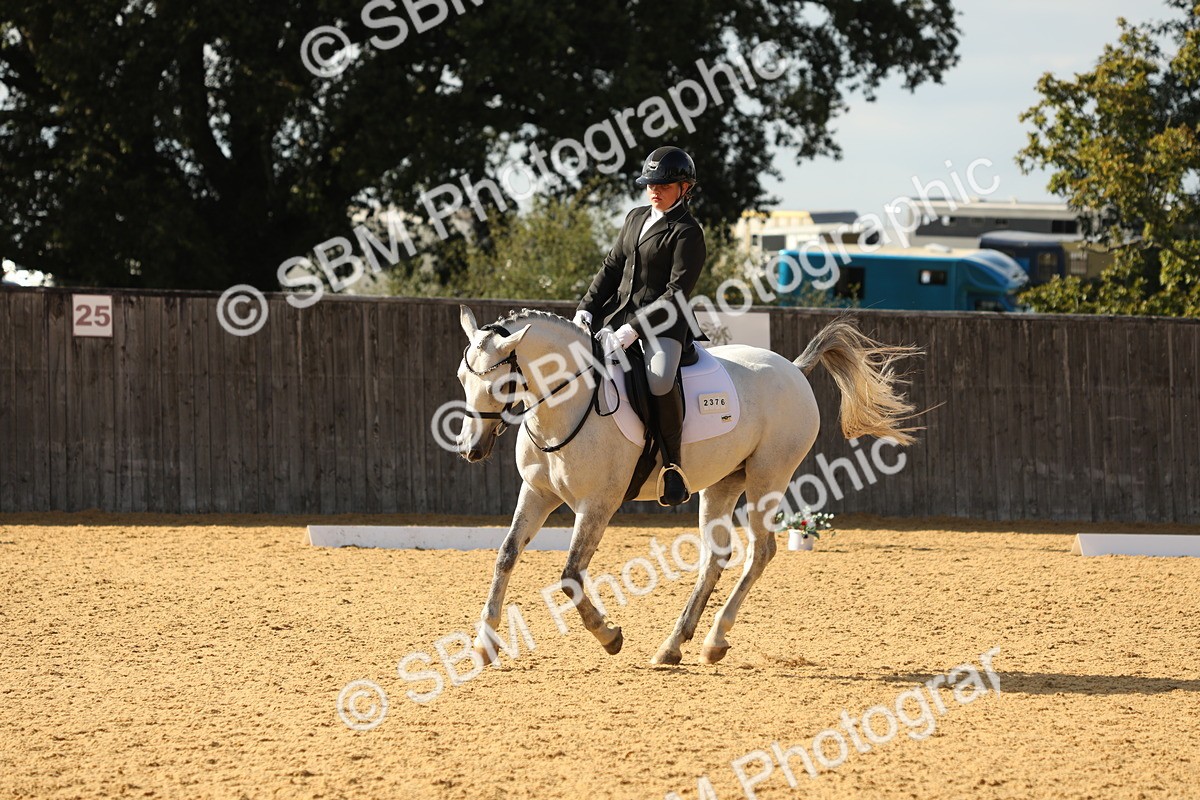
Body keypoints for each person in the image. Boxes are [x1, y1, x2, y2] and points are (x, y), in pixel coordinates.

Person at [574, 146, 707, 506]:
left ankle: (674, 467)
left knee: (660, 378)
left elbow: (676, 292)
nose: (654, 190)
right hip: (615, 315)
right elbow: (611, 267)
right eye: (650, 184)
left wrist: (634, 329)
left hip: (663, 325)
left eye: (663, 185)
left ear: (684, 188)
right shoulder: (634, 217)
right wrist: (586, 309)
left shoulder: (687, 232)